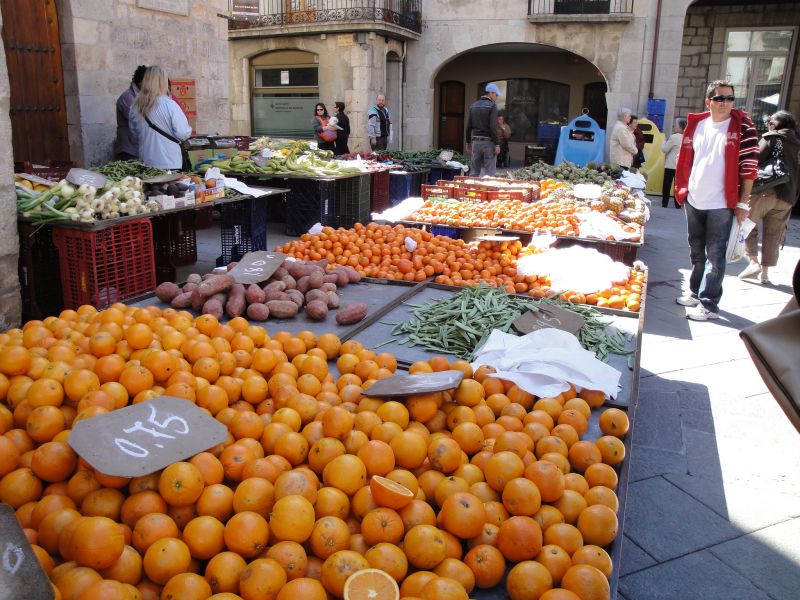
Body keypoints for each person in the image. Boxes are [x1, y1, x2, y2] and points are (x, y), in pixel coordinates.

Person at [674, 79, 759, 321]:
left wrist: (743, 202)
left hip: (722, 203)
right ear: (708, 101)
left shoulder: (743, 126)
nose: (725, 103)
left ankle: (709, 304)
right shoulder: (698, 124)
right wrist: (683, 191)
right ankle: (694, 291)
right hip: (694, 198)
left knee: (716, 254)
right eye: (720, 98)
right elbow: (687, 159)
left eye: (730, 98)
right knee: (695, 251)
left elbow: (750, 167)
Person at [739, 110, 800, 284]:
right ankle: (764, 274)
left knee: (748, 225)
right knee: (773, 234)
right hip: (787, 197)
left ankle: (753, 262)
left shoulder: (772, 138)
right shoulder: (798, 145)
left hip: (765, 191)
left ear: (774, 125)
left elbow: (753, 162)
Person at [129, 66, 193, 170]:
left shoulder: (135, 107)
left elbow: (134, 134)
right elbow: (182, 133)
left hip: (146, 162)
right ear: (163, 82)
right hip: (169, 162)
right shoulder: (169, 105)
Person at [465, 83, 501, 177]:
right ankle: (487, 191)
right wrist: (497, 144)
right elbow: (493, 127)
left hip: (475, 142)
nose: (496, 97)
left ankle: (472, 191)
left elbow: (469, 126)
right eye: (496, 95)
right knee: (489, 174)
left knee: (474, 172)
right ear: (491, 93)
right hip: (488, 142)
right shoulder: (492, 106)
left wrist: (468, 142)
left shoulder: (473, 105)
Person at [115, 65, 147, 160]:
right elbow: (138, 120)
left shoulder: (143, 96)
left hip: (140, 147)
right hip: (130, 149)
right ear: (141, 82)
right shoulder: (127, 97)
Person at [661, 117, 687, 208]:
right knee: (678, 186)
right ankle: (678, 203)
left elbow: (665, 149)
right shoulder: (687, 137)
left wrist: (663, 141)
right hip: (681, 165)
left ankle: (665, 203)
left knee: (667, 185)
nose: (674, 127)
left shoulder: (674, 137)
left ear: (680, 127)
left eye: (675, 125)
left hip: (671, 164)